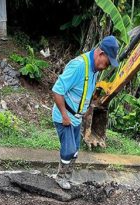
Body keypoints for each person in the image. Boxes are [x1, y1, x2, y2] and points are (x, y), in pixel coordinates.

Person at [51, 35, 119, 190]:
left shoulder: (94, 69)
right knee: (68, 150)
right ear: (101, 54)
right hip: (65, 117)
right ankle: (60, 177)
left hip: (76, 117)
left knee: (75, 151)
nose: (106, 67)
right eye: (107, 63)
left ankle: (67, 177)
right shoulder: (79, 66)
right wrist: (64, 115)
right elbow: (57, 90)